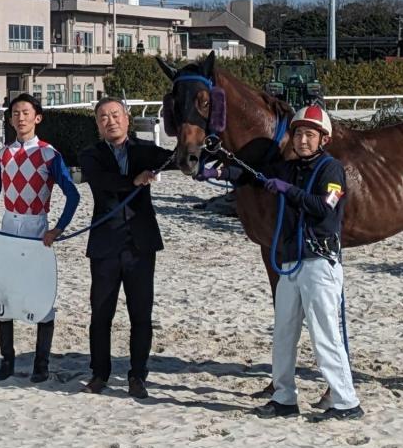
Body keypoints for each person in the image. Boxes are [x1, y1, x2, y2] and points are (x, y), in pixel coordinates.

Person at [200, 105, 362, 422]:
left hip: (319, 262)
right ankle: (284, 397)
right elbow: (252, 175)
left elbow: (325, 208)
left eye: (310, 134)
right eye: (299, 134)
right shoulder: (288, 168)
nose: (302, 140)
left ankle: (346, 401)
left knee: (325, 335)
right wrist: (218, 173)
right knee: (283, 333)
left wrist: (289, 190)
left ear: (323, 139)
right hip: (291, 263)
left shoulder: (331, 170)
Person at [0, 93, 80, 383]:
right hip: (8, 226)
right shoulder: (3, 154)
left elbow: (72, 194)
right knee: (2, 295)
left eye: (26, 112)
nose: (21, 118)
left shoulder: (49, 154)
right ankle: (7, 361)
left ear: (37, 118)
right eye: (16, 113)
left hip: (36, 228)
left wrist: (58, 228)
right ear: (9, 119)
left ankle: (41, 365)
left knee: (40, 296)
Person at [78, 97, 174, 399]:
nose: (111, 121)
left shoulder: (144, 150)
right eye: (104, 117)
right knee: (101, 313)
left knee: (141, 314)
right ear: (98, 124)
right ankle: (99, 374)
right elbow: (103, 182)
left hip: (140, 245)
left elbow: (177, 159)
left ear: (127, 118)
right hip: (105, 245)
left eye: (116, 115)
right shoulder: (90, 154)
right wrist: (135, 180)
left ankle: (137, 375)